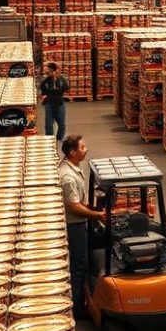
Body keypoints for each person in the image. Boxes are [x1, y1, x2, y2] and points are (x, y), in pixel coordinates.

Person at [60, 135, 106, 319]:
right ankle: (77, 309)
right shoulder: (68, 176)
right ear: (73, 152)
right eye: (83, 147)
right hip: (75, 226)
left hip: (80, 223)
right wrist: (98, 215)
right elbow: (73, 206)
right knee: (79, 267)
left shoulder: (73, 168)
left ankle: (83, 299)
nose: (86, 149)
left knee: (83, 263)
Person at [41, 61, 70, 141]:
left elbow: (67, 89)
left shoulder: (61, 79)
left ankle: (60, 137)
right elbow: (43, 92)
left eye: (49, 71)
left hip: (59, 103)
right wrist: (43, 96)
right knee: (49, 124)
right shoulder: (45, 80)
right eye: (47, 71)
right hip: (49, 104)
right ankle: (49, 139)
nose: (47, 72)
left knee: (61, 124)